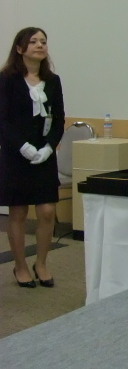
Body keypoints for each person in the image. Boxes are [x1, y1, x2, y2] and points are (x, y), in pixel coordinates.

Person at [0, 27, 66, 289]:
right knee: (18, 211)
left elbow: (59, 119)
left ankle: (41, 262)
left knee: (47, 211)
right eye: (34, 42)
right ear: (20, 49)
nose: (40, 45)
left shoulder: (53, 80)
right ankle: (20, 265)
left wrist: (49, 147)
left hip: (44, 154)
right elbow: (2, 121)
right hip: (16, 155)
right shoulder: (7, 79)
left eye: (43, 42)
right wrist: (22, 146)